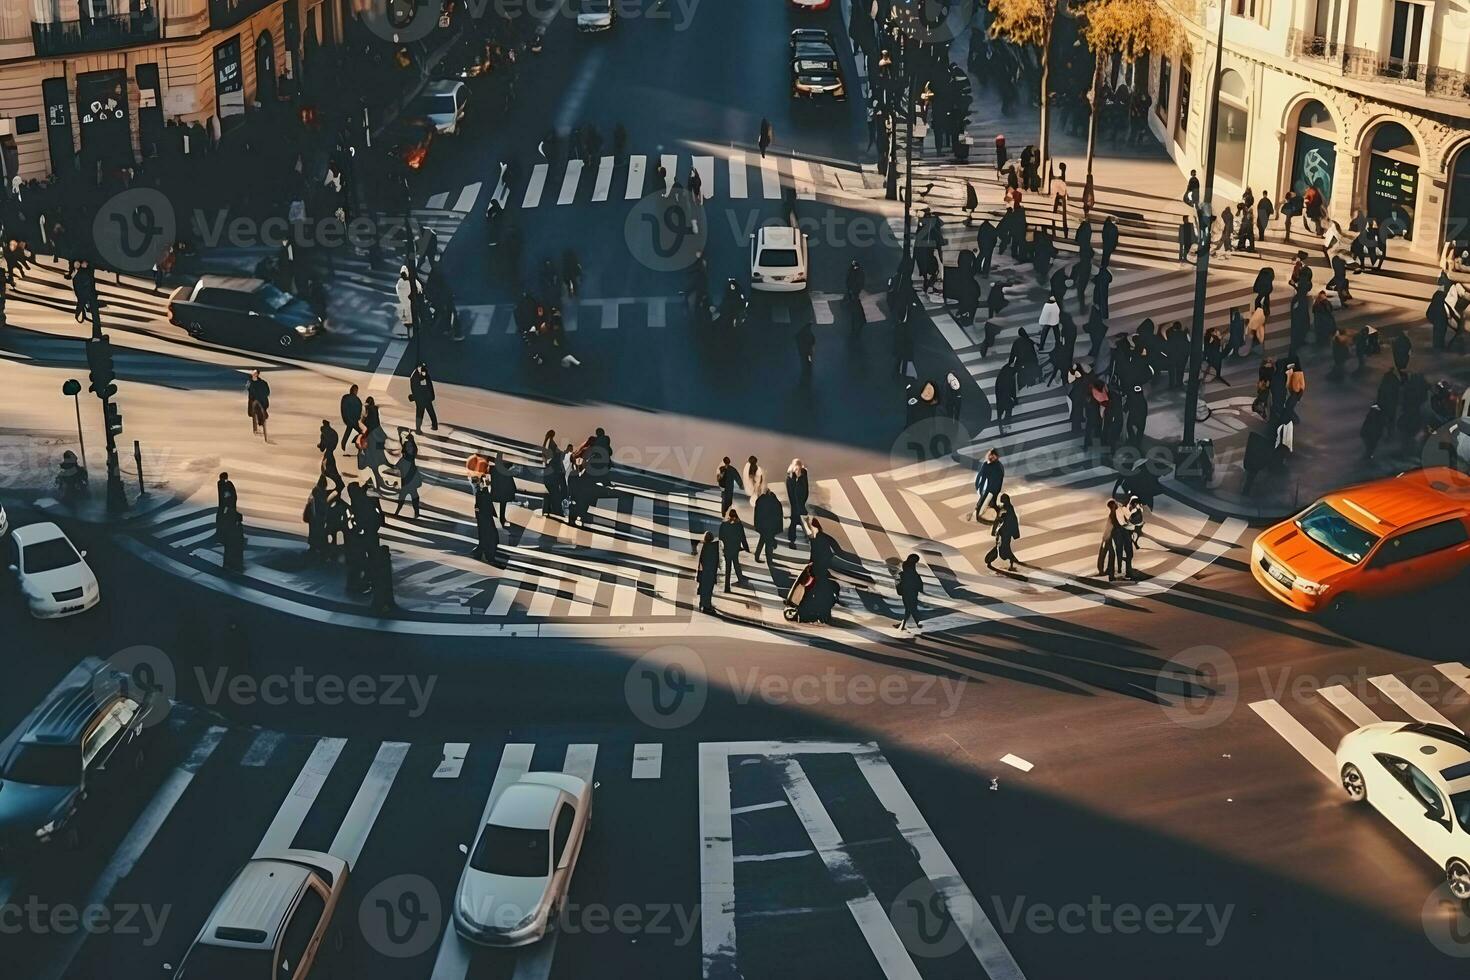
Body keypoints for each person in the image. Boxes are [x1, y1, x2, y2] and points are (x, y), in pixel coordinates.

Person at [717, 508, 751, 591]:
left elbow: (720, 536)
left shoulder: (724, 525)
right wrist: (746, 548)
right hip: (735, 548)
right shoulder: (738, 525)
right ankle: (740, 579)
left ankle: (727, 587)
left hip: (727, 548)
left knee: (728, 567)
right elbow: (743, 537)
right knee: (736, 563)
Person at [985, 494, 1020, 571]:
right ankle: (1011, 560)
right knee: (1002, 548)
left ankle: (1012, 561)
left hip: (1006, 532)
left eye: (1003, 499)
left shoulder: (1008, 509)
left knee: (1004, 548)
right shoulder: (1004, 508)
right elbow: (998, 520)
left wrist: (1014, 533)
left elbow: (1012, 520)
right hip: (1002, 532)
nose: (1002, 500)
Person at [394, 434, 423, 518]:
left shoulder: (407, 458)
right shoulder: (406, 459)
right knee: (409, 496)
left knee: (410, 497)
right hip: (409, 479)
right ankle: (399, 511)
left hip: (409, 479)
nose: (409, 448)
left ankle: (399, 512)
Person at [473, 477, 500, 563]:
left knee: (485, 535)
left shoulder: (481, 494)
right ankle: (485, 553)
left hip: (483, 517)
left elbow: (478, 507)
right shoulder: (483, 494)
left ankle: (482, 553)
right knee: (489, 535)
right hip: (485, 517)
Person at [894, 553, 923, 632]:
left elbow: (911, 578)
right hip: (909, 591)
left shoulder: (908, 566)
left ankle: (911, 624)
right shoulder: (910, 566)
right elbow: (915, 579)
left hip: (908, 591)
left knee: (910, 609)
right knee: (910, 608)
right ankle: (906, 624)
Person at [973, 448, 1004, 520]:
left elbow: (999, 481)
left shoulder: (998, 466)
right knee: (985, 503)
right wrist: (980, 489)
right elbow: (982, 478)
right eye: (990, 455)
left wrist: (990, 492)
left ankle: (997, 515)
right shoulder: (987, 465)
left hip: (993, 489)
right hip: (990, 489)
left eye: (993, 456)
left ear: (996, 456)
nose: (991, 457)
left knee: (988, 503)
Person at [753, 488, 783, 562]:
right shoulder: (775, 502)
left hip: (762, 526)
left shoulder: (760, 501)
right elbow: (779, 516)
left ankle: (757, 556)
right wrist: (778, 528)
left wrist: (757, 525)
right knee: (768, 544)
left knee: (762, 540)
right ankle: (769, 560)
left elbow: (757, 514)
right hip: (771, 526)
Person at [408, 362, 438, 432]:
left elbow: (430, 386)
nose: (422, 368)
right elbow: (415, 389)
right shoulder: (415, 376)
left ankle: (433, 426)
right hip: (421, 399)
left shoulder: (423, 374)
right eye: (421, 367)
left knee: (424, 413)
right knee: (422, 414)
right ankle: (419, 429)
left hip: (425, 398)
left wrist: (432, 396)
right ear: (418, 367)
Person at [490, 453, 518, 526]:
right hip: (503, 478)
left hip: (499, 477)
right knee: (503, 500)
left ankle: (495, 516)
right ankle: (500, 518)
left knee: (494, 498)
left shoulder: (495, 467)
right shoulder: (504, 463)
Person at [786, 459, 809, 545]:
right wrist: (802, 502)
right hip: (799, 504)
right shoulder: (802, 475)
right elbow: (806, 490)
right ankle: (808, 536)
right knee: (803, 521)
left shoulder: (790, 477)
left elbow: (791, 493)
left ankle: (792, 538)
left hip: (795, 504)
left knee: (794, 521)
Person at [318, 421, 345, 492]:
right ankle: (339, 484)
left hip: (328, 454)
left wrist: (320, 445)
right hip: (331, 452)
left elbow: (322, 447)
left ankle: (339, 485)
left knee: (327, 470)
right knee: (330, 469)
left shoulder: (324, 434)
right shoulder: (333, 432)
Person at [696, 531, 719, 613]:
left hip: (704, 572)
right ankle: (706, 606)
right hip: (710, 572)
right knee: (708, 589)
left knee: (703, 588)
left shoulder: (703, 546)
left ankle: (703, 603)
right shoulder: (713, 547)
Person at [369, 544, 396, 614]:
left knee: (380, 594)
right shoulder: (384, 561)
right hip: (382, 583)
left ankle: (379, 607)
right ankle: (382, 608)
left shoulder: (379, 561)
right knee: (381, 593)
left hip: (380, 583)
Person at [246, 369, 270, 442]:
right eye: (253, 372)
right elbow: (248, 389)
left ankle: (261, 420)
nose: (253, 374)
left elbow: (267, 392)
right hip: (253, 400)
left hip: (262, 400)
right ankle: (257, 426)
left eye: (255, 373)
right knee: (254, 407)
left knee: (260, 407)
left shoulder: (263, 383)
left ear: (257, 374)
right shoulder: (249, 382)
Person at [340, 384, 363, 453]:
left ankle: (344, 444)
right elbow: (359, 409)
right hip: (353, 420)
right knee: (361, 432)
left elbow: (343, 408)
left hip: (349, 419)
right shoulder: (356, 399)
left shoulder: (346, 398)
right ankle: (358, 444)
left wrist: (345, 418)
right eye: (356, 390)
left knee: (349, 431)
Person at [216, 471, 238, 542]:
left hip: (226, 506)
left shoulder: (224, 484)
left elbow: (227, 497)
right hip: (227, 505)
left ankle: (223, 535)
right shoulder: (224, 484)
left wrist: (226, 507)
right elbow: (232, 496)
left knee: (224, 519)